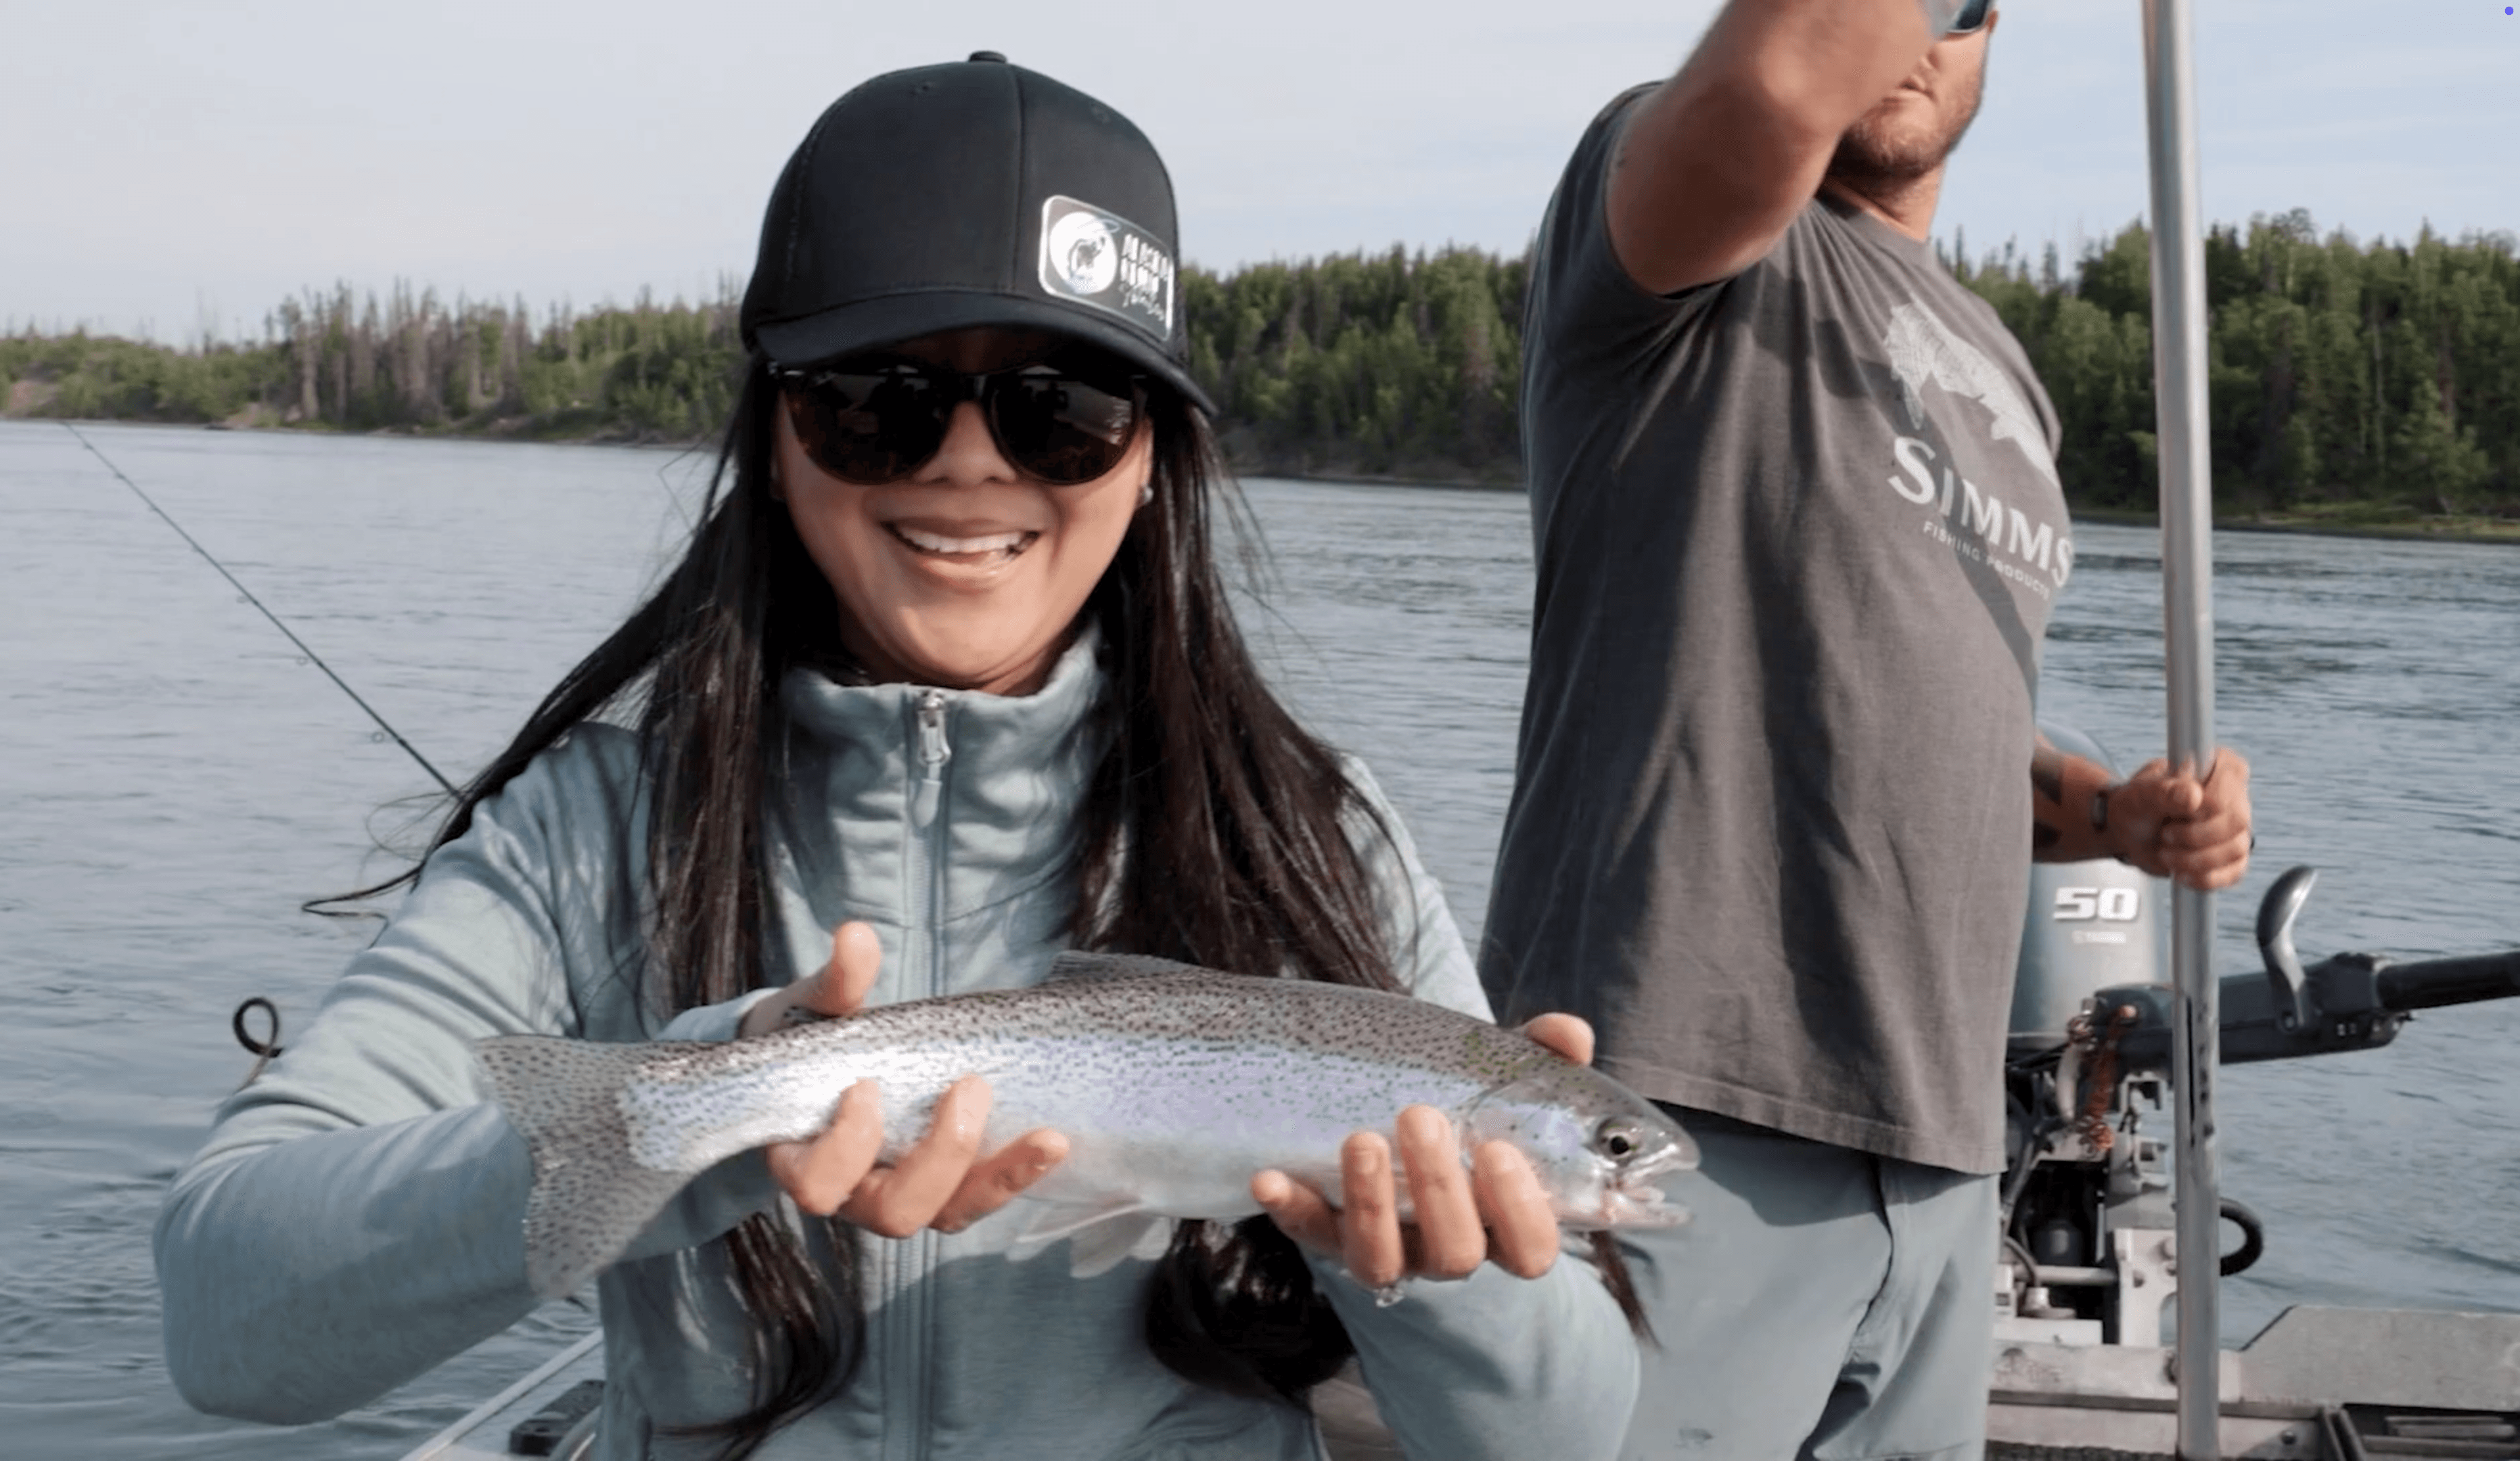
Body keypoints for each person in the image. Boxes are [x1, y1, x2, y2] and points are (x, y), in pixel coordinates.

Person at [155, 54, 1637, 1461]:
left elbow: (1573, 1439)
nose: (970, 462)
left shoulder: (1318, 834)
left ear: (1152, 458)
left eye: (1065, 408)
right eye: (879, 400)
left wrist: (1448, 1272)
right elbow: (227, 1318)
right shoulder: (588, 831)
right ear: (775, 434)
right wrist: (720, 1109)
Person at [1477, 3, 2256, 1457]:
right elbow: (1776, 87)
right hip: (1681, 1109)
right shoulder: (1680, 224)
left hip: (1948, 1148)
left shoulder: (2007, 379)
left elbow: (1948, 720)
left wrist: (2117, 820)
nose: (1918, 29)